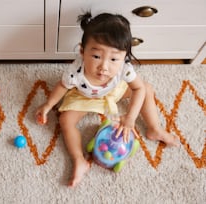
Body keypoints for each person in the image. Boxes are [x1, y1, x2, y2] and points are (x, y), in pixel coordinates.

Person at [35, 12, 179, 188]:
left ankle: (155, 129)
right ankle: (79, 160)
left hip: (114, 91)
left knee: (147, 89)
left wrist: (130, 118)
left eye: (113, 59)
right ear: (82, 51)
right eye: (96, 56)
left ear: (124, 56)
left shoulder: (124, 69)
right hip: (84, 96)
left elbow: (138, 88)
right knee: (65, 119)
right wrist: (48, 104)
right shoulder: (76, 71)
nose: (104, 66)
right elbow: (62, 86)